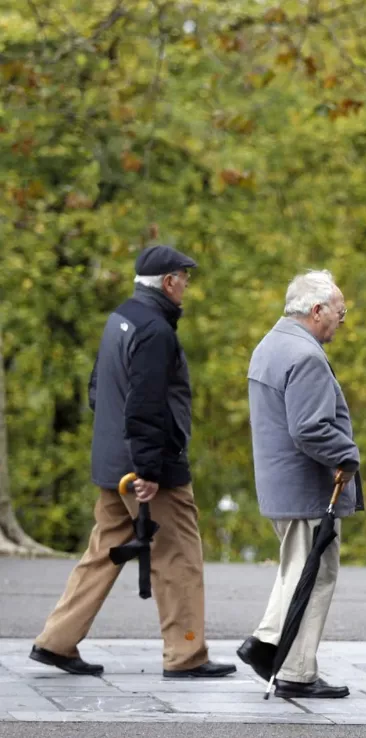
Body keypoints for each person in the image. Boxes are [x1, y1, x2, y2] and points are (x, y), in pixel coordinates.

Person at [30, 244, 235, 679]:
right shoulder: (156, 332)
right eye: (185, 278)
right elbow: (145, 406)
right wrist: (148, 469)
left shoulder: (120, 318)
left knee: (104, 551)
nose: (187, 286)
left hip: (112, 461)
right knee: (179, 556)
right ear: (168, 282)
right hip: (147, 469)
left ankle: (56, 641)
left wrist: (119, 452)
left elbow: (96, 389)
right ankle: (186, 655)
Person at [237, 270, 361, 699]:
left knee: (297, 570)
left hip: (281, 484)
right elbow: (309, 428)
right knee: (315, 574)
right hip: (307, 488)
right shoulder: (304, 355)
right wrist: (348, 455)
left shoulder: (270, 345)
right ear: (317, 310)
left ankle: (270, 646)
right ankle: (292, 668)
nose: (343, 319)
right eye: (340, 311)